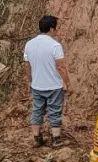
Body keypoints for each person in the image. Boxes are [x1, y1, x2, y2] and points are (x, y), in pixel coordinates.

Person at [24, 14, 70, 146]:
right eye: (56, 28)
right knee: (55, 111)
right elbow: (60, 67)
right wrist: (67, 82)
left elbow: (27, 65)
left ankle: (37, 138)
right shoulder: (55, 46)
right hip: (53, 86)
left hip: (37, 85)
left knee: (37, 110)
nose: (56, 31)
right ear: (51, 29)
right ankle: (56, 139)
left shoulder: (29, 44)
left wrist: (30, 81)